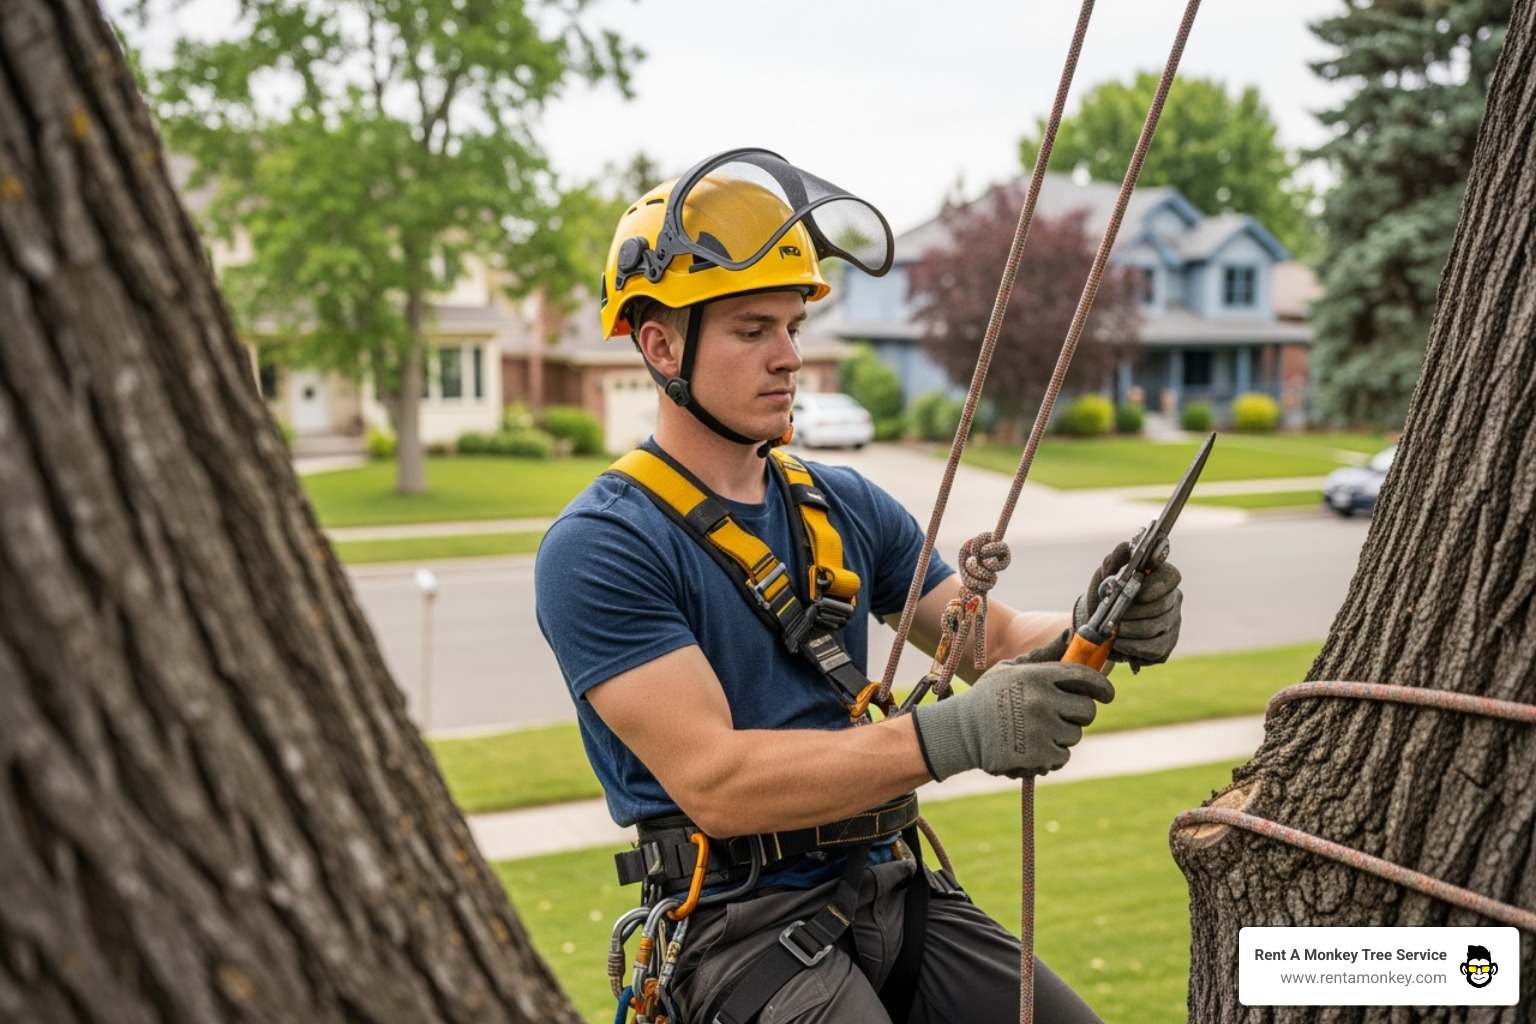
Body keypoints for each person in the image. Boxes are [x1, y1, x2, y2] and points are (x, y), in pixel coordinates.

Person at [535, 148, 1184, 1024]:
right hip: (739, 929)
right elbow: (716, 781)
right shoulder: (602, 546)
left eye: (793, 326)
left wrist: (1094, 620)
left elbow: (985, 639)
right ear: (660, 345)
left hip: (889, 888)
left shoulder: (840, 504)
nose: (790, 357)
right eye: (752, 330)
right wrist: (955, 734)